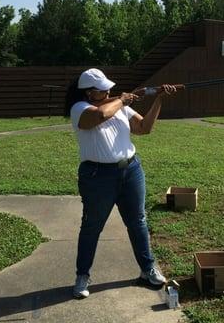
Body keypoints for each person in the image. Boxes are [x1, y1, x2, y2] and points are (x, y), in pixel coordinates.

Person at [65, 68, 177, 299]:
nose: (109, 91)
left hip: (131, 170)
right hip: (97, 176)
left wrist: (158, 100)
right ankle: (82, 276)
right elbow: (98, 117)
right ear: (89, 93)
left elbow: (144, 128)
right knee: (91, 227)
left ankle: (148, 270)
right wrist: (122, 99)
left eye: (109, 89)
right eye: (103, 90)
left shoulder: (120, 106)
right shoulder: (79, 109)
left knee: (138, 221)